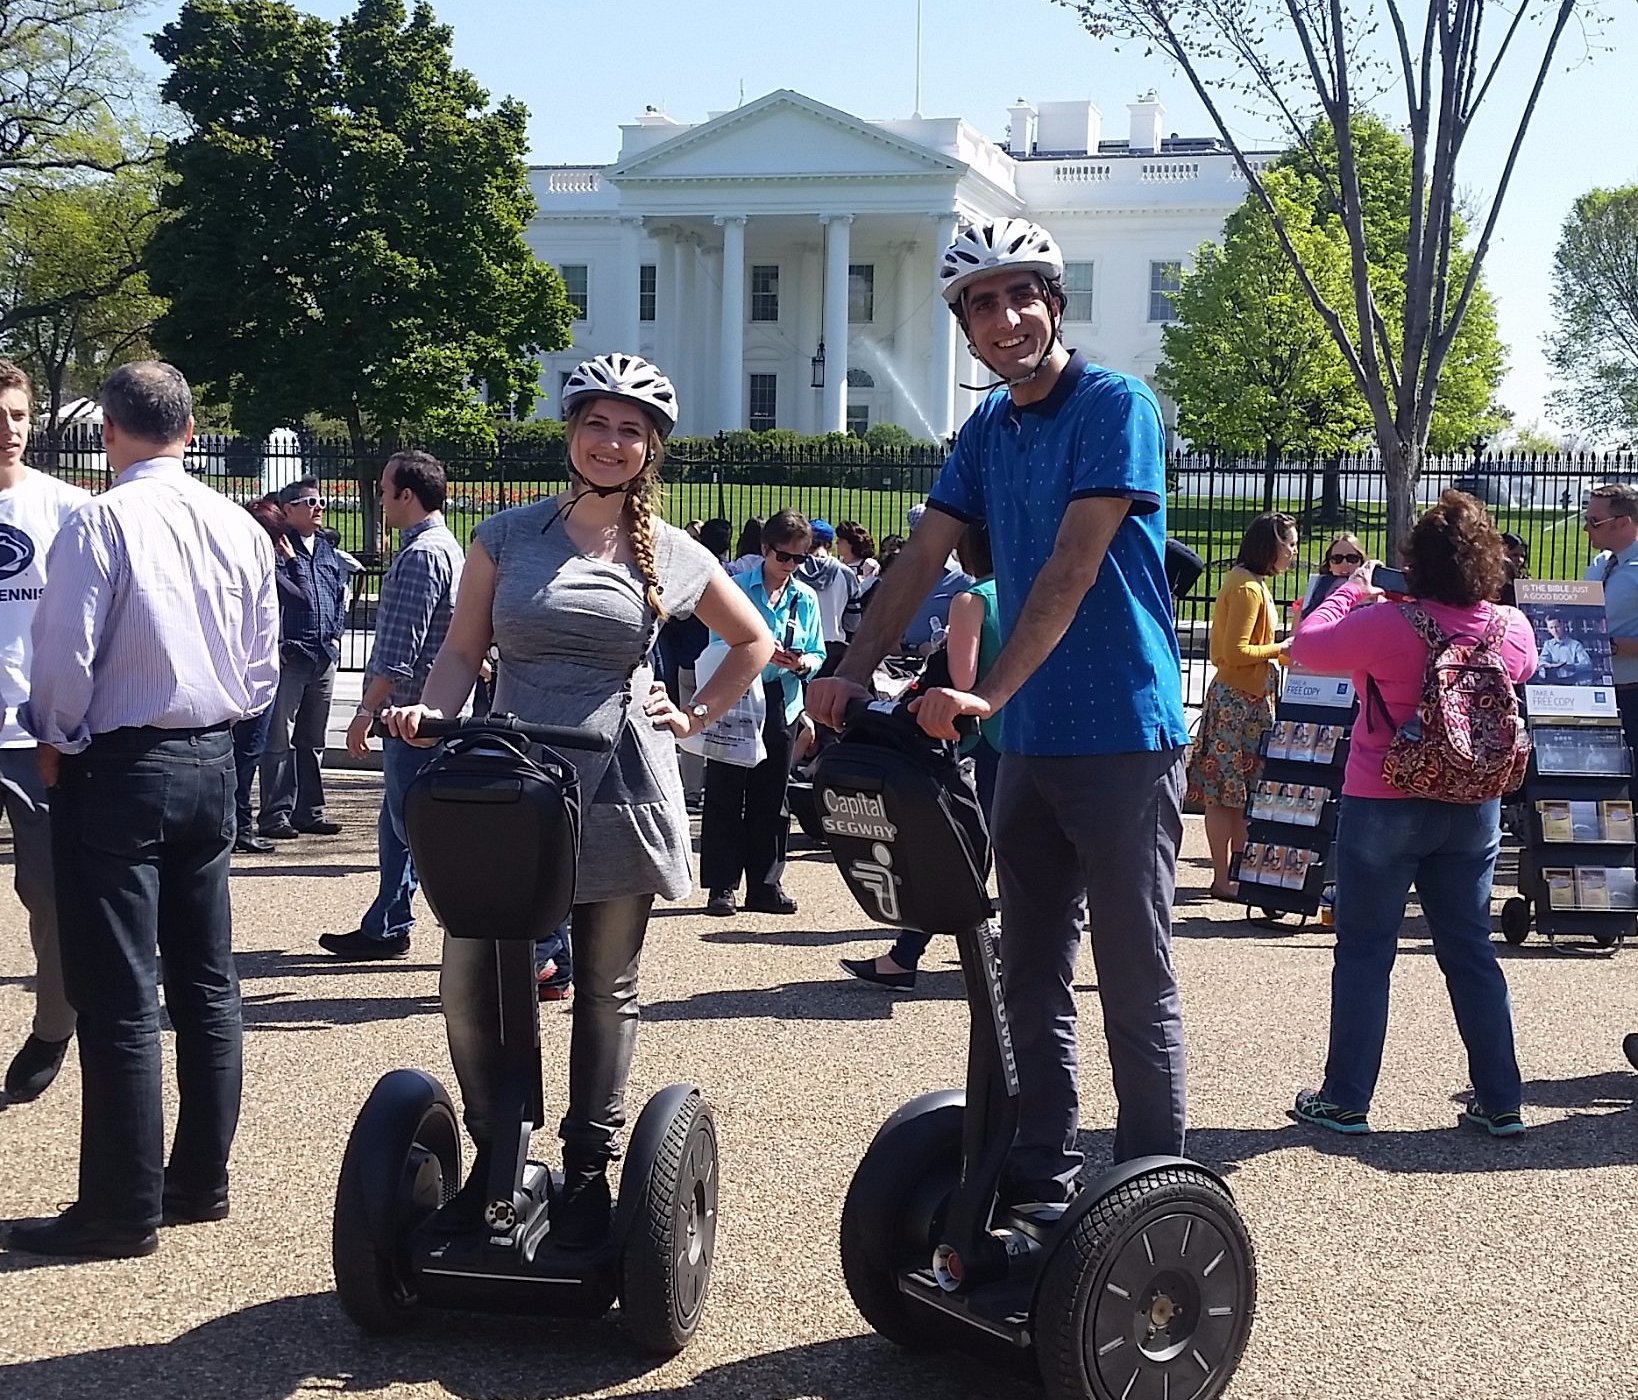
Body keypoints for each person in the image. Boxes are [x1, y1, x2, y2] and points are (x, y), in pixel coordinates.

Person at [811, 216, 1190, 1196]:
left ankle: (1153, 1185)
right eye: (982, 303)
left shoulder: (1116, 404)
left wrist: (983, 690)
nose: (1005, 315)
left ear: (1052, 304)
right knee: (1025, 974)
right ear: (966, 328)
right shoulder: (987, 427)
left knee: (1134, 976)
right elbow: (921, 559)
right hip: (1025, 741)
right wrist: (848, 672)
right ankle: (1040, 1171)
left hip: (1120, 731)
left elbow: (1071, 567)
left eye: (1022, 294)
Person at [382, 353, 771, 1245]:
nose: (611, 441)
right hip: (511, 783)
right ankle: (496, 1153)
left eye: (631, 430)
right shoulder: (507, 536)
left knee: (604, 984)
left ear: (651, 449)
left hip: (619, 779)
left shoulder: (671, 551)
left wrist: (695, 713)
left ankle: (591, 1168)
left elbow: (749, 641)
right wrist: (431, 714)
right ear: (570, 433)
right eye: (597, 424)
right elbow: (459, 650)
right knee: (470, 979)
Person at [7, 360, 278, 1258]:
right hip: (208, 754)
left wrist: (53, 735)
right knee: (207, 984)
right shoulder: (236, 523)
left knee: (120, 994)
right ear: (191, 430)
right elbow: (264, 663)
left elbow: (64, 657)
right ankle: (200, 1179)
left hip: (120, 764)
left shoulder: (100, 521)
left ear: (110, 432)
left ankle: (120, 1207)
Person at [1288, 490, 1537, 1137]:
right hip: (1473, 802)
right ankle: (1501, 1098)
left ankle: (1346, 1098)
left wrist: (1353, 588)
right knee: (1470, 950)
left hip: (1385, 795)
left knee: (1366, 952)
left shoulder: (1389, 623)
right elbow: (1528, 667)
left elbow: (1306, 647)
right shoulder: (1509, 629)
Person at [840, 522, 1002, 990]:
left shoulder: (974, 599)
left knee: (957, 851)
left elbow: (963, 679)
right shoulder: (1033, 594)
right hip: (1035, 738)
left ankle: (904, 958)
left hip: (988, 739)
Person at [320, 451, 464, 960]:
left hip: (412, 716)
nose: (380, 499)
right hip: (430, 713)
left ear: (406, 495)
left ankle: (469, 926)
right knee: (397, 826)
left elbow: (400, 647)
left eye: (384, 490)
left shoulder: (422, 554)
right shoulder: (446, 548)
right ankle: (387, 923)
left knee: (416, 829)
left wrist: (365, 711)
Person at [0, 358, 90, 1107]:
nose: (9, 431)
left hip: (37, 734)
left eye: (19, 416)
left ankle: (53, 1025)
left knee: (52, 893)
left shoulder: (67, 508)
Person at [699, 509, 826, 917]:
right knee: (725, 791)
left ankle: (766, 884)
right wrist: (756, 652)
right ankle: (721, 886)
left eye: (799, 559)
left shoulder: (804, 598)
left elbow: (819, 650)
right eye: (783, 557)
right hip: (736, 695)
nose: (790, 566)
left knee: (772, 797)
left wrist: (802, 663)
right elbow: (718, 640)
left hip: (781, 699)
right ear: (765, 550)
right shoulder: (735, 589)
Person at [1187, 513, 1297, 900]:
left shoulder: (1249, 583)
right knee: (1223, 793)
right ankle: (1222, 877)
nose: (1293, 553)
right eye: (1290, 544)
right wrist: (1281, 649)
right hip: (1238, 701)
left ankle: (1238, 871)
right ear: (1271, 545)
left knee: (1239, 794)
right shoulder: (1248, 588)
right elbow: (1235, 652)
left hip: (1247, 700)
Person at [258, 474, 347, 839]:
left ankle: (309, 812)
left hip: (324, 654)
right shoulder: (277, 547)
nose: (319, 508)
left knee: (312, 741)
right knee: (279, 739)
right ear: (288, 509)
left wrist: (337, 634)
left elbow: (337, 593)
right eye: (310, 503)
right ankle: (275, 815)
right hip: (291, 655)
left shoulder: (325, 548)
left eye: (321, 502)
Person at [231, 497, 301, 856]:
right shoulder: (261, 565)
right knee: (246, 755)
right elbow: (302, 597)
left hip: (251, 667)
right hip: (252, 674)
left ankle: (235, 825)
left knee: (242, 756)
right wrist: (290, 561)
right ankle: (238, 827)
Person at [1583, 484, 1638, 787]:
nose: (1586, 528)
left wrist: (1611, 645)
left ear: (1623, 523)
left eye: (1594, 522)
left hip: (1632, 694)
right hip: (1595, 695)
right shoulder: (1599, 565)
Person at [796, 518, 858, 677]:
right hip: (834, 647)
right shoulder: (846, 573)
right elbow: (853, 621)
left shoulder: (794, 571)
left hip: (799, 647)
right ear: (829, 544)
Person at [1293, 532, 1364, 628]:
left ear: (1361, 562)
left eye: (1352, 558)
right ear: (1329, 565)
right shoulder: (1312, 595)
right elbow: (1295, 636)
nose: (1344, 563)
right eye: (1337, 559)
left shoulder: (1374, 593)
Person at [1534, 613, 1593, 685]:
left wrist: (1572, 667)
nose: (1555, 630)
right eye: (1551, 628)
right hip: (1552, 681)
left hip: (1572, 681)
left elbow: (1587, 664)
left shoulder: (1575, 645)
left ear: (1562, 625)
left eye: (1557, 627)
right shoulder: (1548, 645)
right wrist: (1547, 665)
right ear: (1548, 630)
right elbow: (1543, 660)